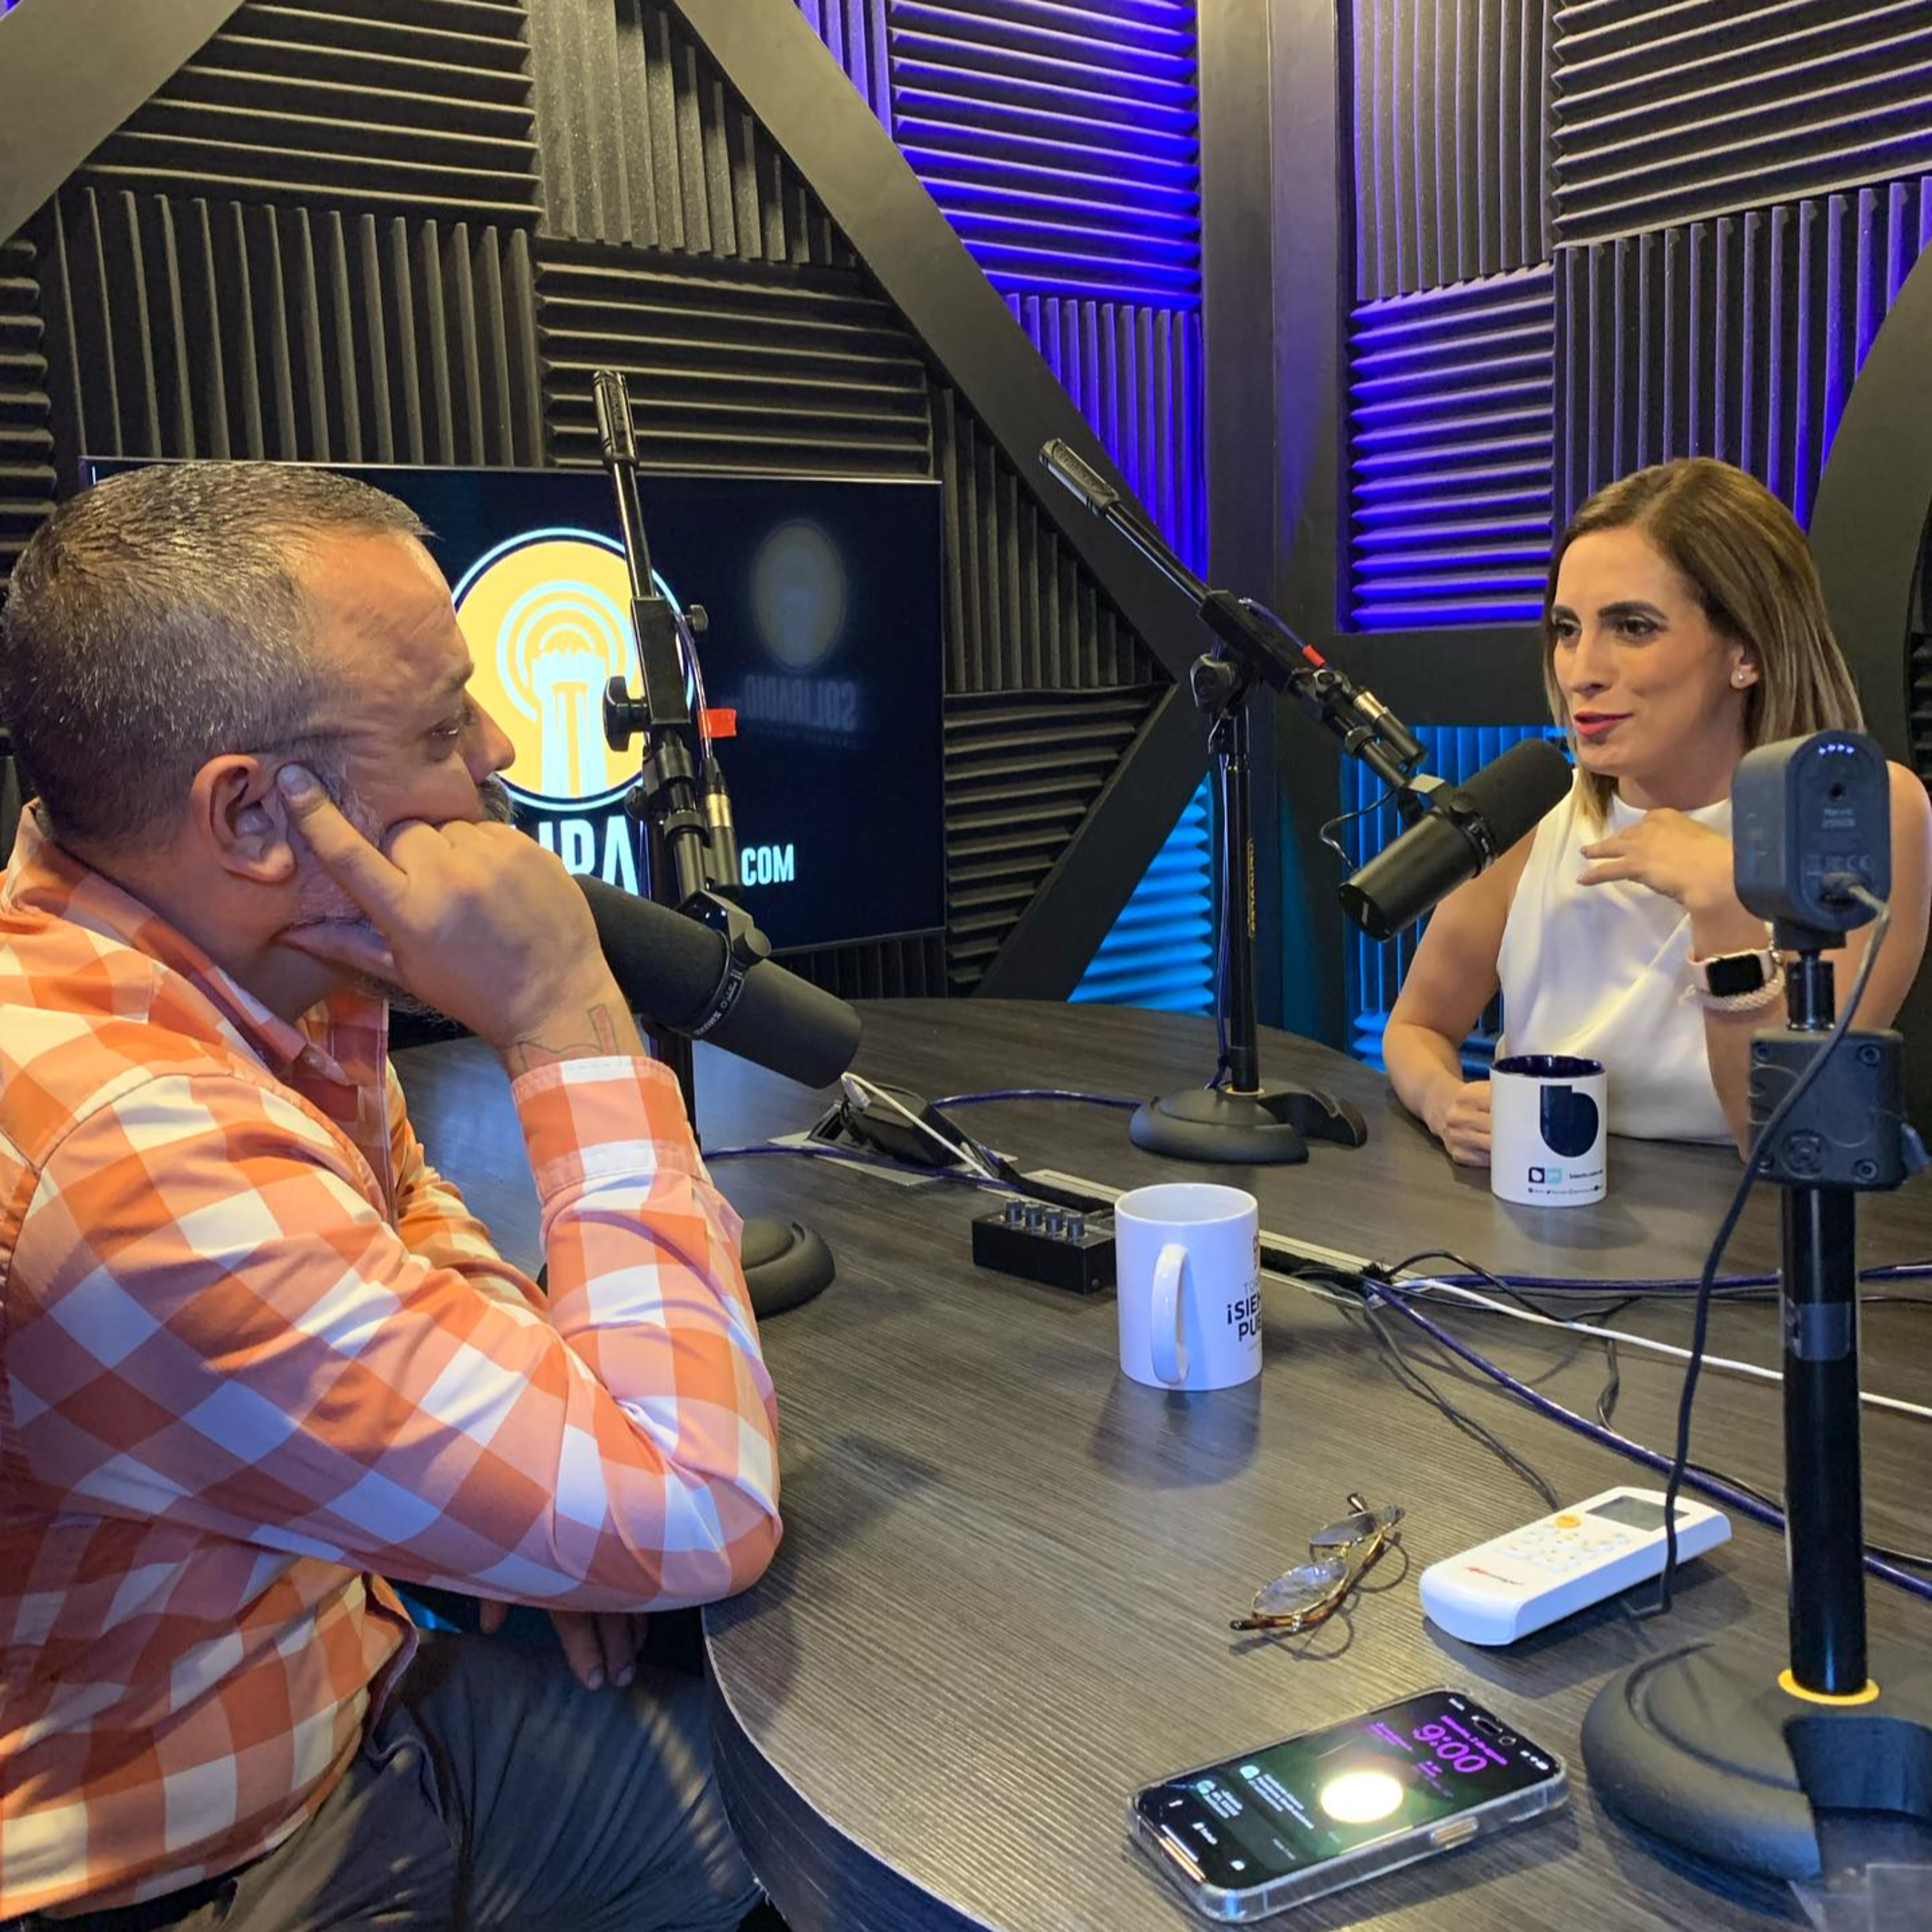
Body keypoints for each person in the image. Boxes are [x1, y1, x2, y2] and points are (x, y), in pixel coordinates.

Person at [0, 463, 782, 1929]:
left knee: (788, 1832)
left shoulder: (241, 964)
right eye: (439, 728)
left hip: (352, 1688)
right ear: (252, 816)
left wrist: (527, 1484)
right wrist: (564, 1014)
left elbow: (402, 1207)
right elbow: (696, 1504)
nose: (498, 749)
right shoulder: (136, 1156)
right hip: (210, 1869)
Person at [1384, 457, 1932, 1164]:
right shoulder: (1535, 812)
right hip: (1540, 1210)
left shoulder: (1865, 812)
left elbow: (1785, 1141)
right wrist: (1444, 1102)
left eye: (1633, 627)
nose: (1582, 671)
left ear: (1747, 649)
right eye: (1567, 629)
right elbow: (1417, 1028)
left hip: (1753, 1223)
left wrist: (1723, 905)